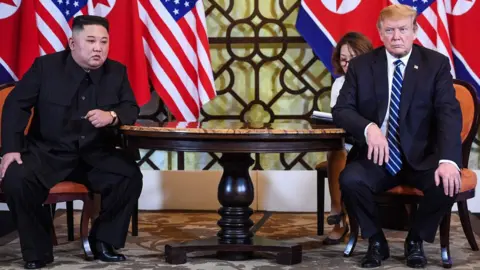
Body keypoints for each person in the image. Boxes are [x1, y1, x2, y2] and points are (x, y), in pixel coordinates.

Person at [0, 15, 143, 269]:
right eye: (90, 41)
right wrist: (11, 149)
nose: (98, 48)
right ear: (72, 43)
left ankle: (103, 241)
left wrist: (111, 116)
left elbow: (130, 107)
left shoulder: (117, 71)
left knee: (129, 175)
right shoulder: (46, 67)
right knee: (16, 178)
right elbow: (15, 105)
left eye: (103, 41)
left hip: (94, 154)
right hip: (48, 152)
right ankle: (38, 251)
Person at [332, 4, 461, 268]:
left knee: (447, 183)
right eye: (389, 31)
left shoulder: (435, 65)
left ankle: (415, 240)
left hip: (422, 156)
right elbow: (342, 109)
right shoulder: (361, 66)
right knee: (351, 179)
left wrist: (449, 160)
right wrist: (369, 129)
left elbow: (448, 114)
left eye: (403, 29)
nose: (396, 37)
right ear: (380, 33)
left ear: (414, 31)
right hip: (377, 156)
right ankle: (376, 240)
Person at [323, 32, 373, 245]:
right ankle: (338, 216)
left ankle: (363, 220)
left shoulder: (378, 81)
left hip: (373, 142)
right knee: (336, 150)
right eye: (343, 60)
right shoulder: (339, 84)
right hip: (348, 141)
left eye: (353, 59)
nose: (347, 64)